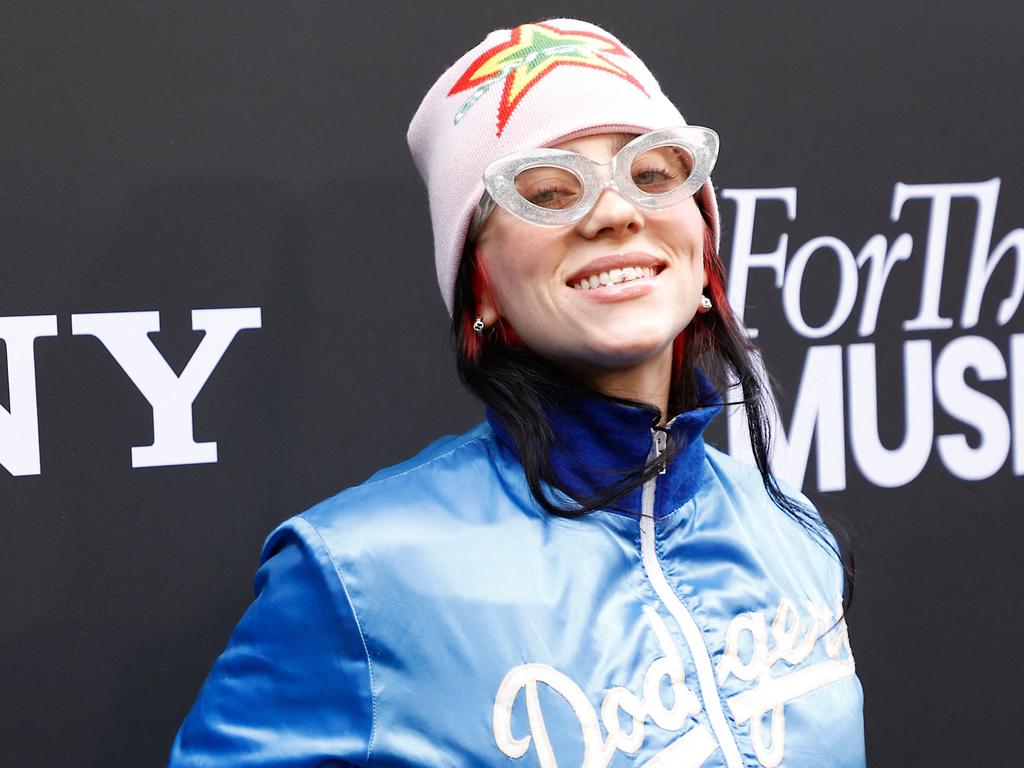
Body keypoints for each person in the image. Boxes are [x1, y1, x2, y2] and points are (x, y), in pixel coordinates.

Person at [170, 18, 865, 768]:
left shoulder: (791, 533)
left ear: (703, 248)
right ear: (482, 286)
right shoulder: (357, 577)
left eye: (652, 173)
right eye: (546, 192)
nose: (613, 212)